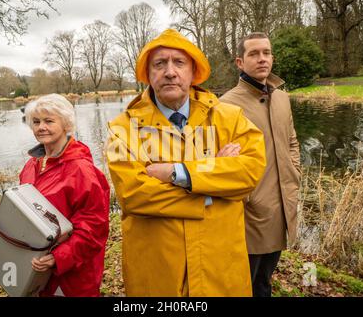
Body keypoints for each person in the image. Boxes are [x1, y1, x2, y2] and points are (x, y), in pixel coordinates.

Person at [106, 29, 266, 296]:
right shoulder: (123, 129)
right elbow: (133, 194)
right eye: (160, 63)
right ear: (148, 73)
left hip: (220, 267)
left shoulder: (231, 118)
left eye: (179, 63)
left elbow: (250, 171)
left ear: (193, 71)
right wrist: (213, 190)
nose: (170, 72)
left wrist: (178, 173)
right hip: (158, 273)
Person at [220, 32, 301, 297]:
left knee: (265, 279)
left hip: (282, 204)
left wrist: (295, 173)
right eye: (254, 54)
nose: (262, 59)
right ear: (240, 62)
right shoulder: (226, 105)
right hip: (250, 212)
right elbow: (218, 161)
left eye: (266, 53)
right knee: (244, 284)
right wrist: (247, 197)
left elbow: (292, 141)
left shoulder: (282, 98)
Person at [20, 93, 110, 297]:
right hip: (35, 269)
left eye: (49, 121)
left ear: (66, 124)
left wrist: (57, 258)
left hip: (71, 278)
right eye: (36, 122)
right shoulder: (32, 164)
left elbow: (93, 229)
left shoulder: (81, 170)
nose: (41, 127)